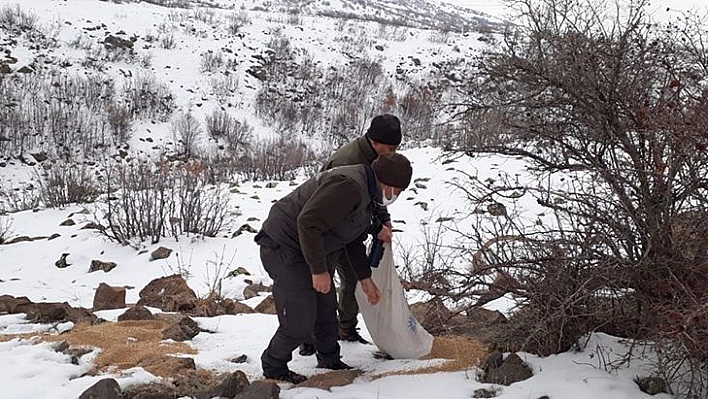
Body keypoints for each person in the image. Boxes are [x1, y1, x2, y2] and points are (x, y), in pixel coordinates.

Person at [255, 152, 413, 383]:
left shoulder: (368, 193)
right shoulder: (348, 185)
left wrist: (365, 279)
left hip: (308, 247)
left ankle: (329, 359)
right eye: (397, 192)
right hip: (283, 246)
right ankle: (273, 365)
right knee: (300, 321)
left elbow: (351, 237)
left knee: (326, 308)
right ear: (387, 184)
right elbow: (308, 223)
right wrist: (319, 271)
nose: (395, 196)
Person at [299, 114, 402, 356]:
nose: (392, 153)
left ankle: (346, 327)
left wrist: (384, 220)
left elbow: (375, 193)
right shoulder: (347, 161)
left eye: (396, 149)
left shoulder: (380, 159)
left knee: (356, 277)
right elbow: (330, 207)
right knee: (322, 284)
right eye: (389, 148)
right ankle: (309, 337)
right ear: (374, 142)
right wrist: (373, 227)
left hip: (351, 230)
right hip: (328, 229)